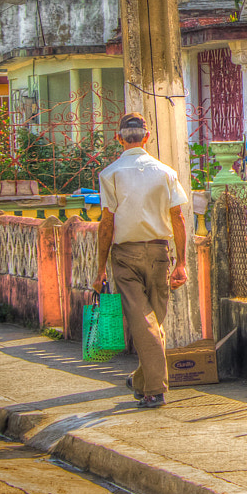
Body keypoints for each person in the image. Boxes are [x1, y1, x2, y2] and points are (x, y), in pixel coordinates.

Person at [91, 114, 189, 409]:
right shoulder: (165, 172)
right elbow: (178, 217)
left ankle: (148, 385)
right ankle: (147, 385)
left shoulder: (110, 174)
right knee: (153, 322)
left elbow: (106, 224)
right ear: (147, 137)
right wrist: (181, 262)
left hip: (126, 255)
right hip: (160, 253)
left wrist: (99, 269)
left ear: (119, 139)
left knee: (146, 323)